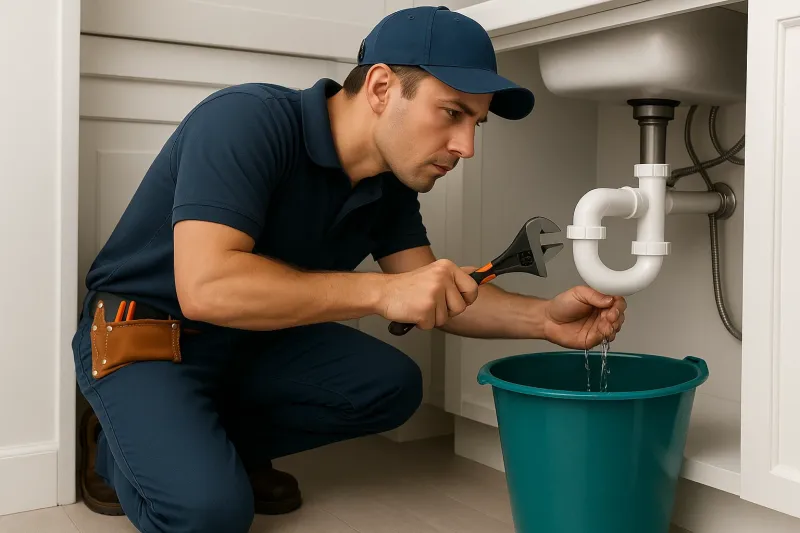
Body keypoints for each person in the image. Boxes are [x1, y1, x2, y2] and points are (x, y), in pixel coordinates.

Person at [72, 5, 626, 533]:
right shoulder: (245, 121)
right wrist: (383, 293)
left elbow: (433, 288)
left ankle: (207, 446)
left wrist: (547, 321)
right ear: (382, 87)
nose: (466, 146)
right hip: (146, 333)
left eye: (476, 123)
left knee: (390, 386)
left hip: (251, 340)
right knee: (210, 517)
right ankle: (115, 448)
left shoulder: (388, 182)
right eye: (453, 113)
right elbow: (207, 288)